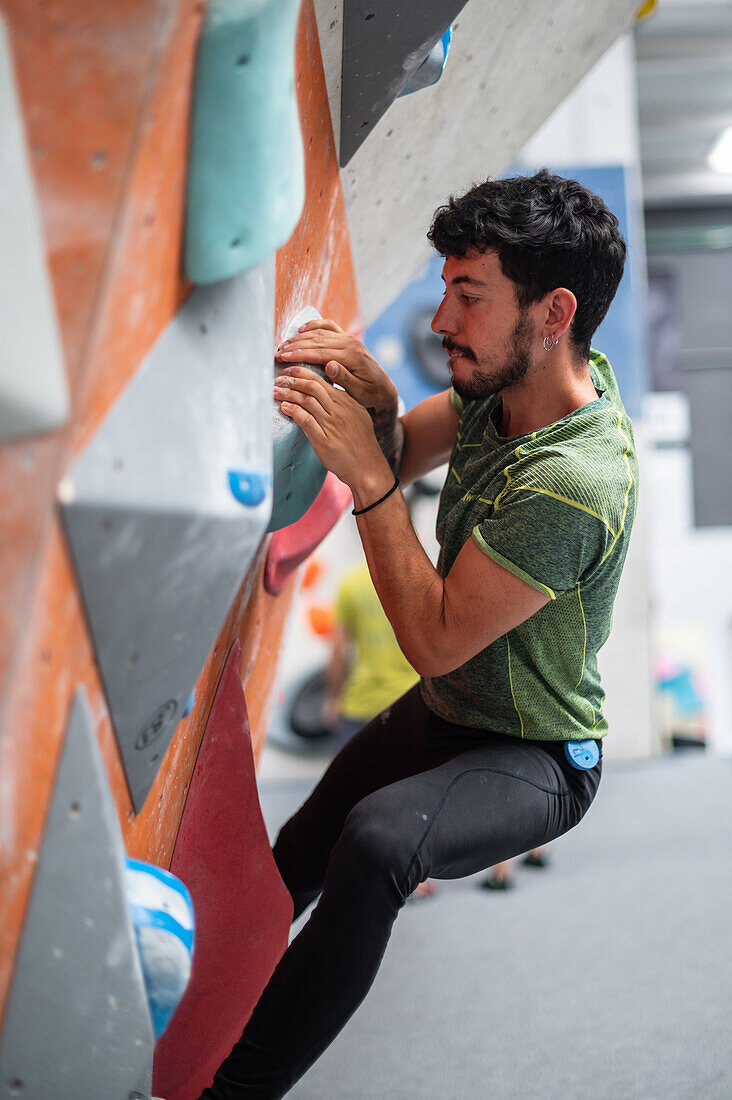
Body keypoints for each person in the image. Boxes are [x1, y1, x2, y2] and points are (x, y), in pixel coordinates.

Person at [198, 169, 637, 1099]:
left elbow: (436, 638)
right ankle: (186, 1012)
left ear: (553, 311)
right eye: (446, 287)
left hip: (535, 753)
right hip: (445, 710)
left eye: (466, 295)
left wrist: (368, 482)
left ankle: (234, 1090)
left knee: (378, 843)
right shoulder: (510, 382)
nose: (441, 319)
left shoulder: (575, 482)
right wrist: (382, 404)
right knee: (294, 859)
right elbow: (399, 449)